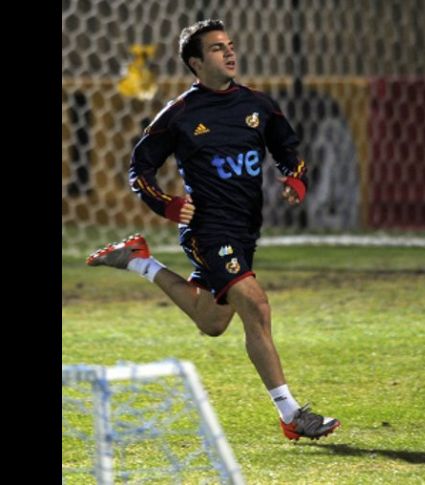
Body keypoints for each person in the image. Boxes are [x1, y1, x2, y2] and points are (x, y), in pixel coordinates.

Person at [86, 19, 339, 441]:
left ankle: (139, 261)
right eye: (218, 48)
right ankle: (291, 414)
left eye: (231, 45)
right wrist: (166, 204)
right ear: (196, 63)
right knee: (255, 306)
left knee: (212, 321)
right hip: (207, 229)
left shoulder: (257, 105)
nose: (230, 53)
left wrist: (295, 178)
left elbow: (287, 148)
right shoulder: (181, 114)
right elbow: (140, 167)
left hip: (243, 230)